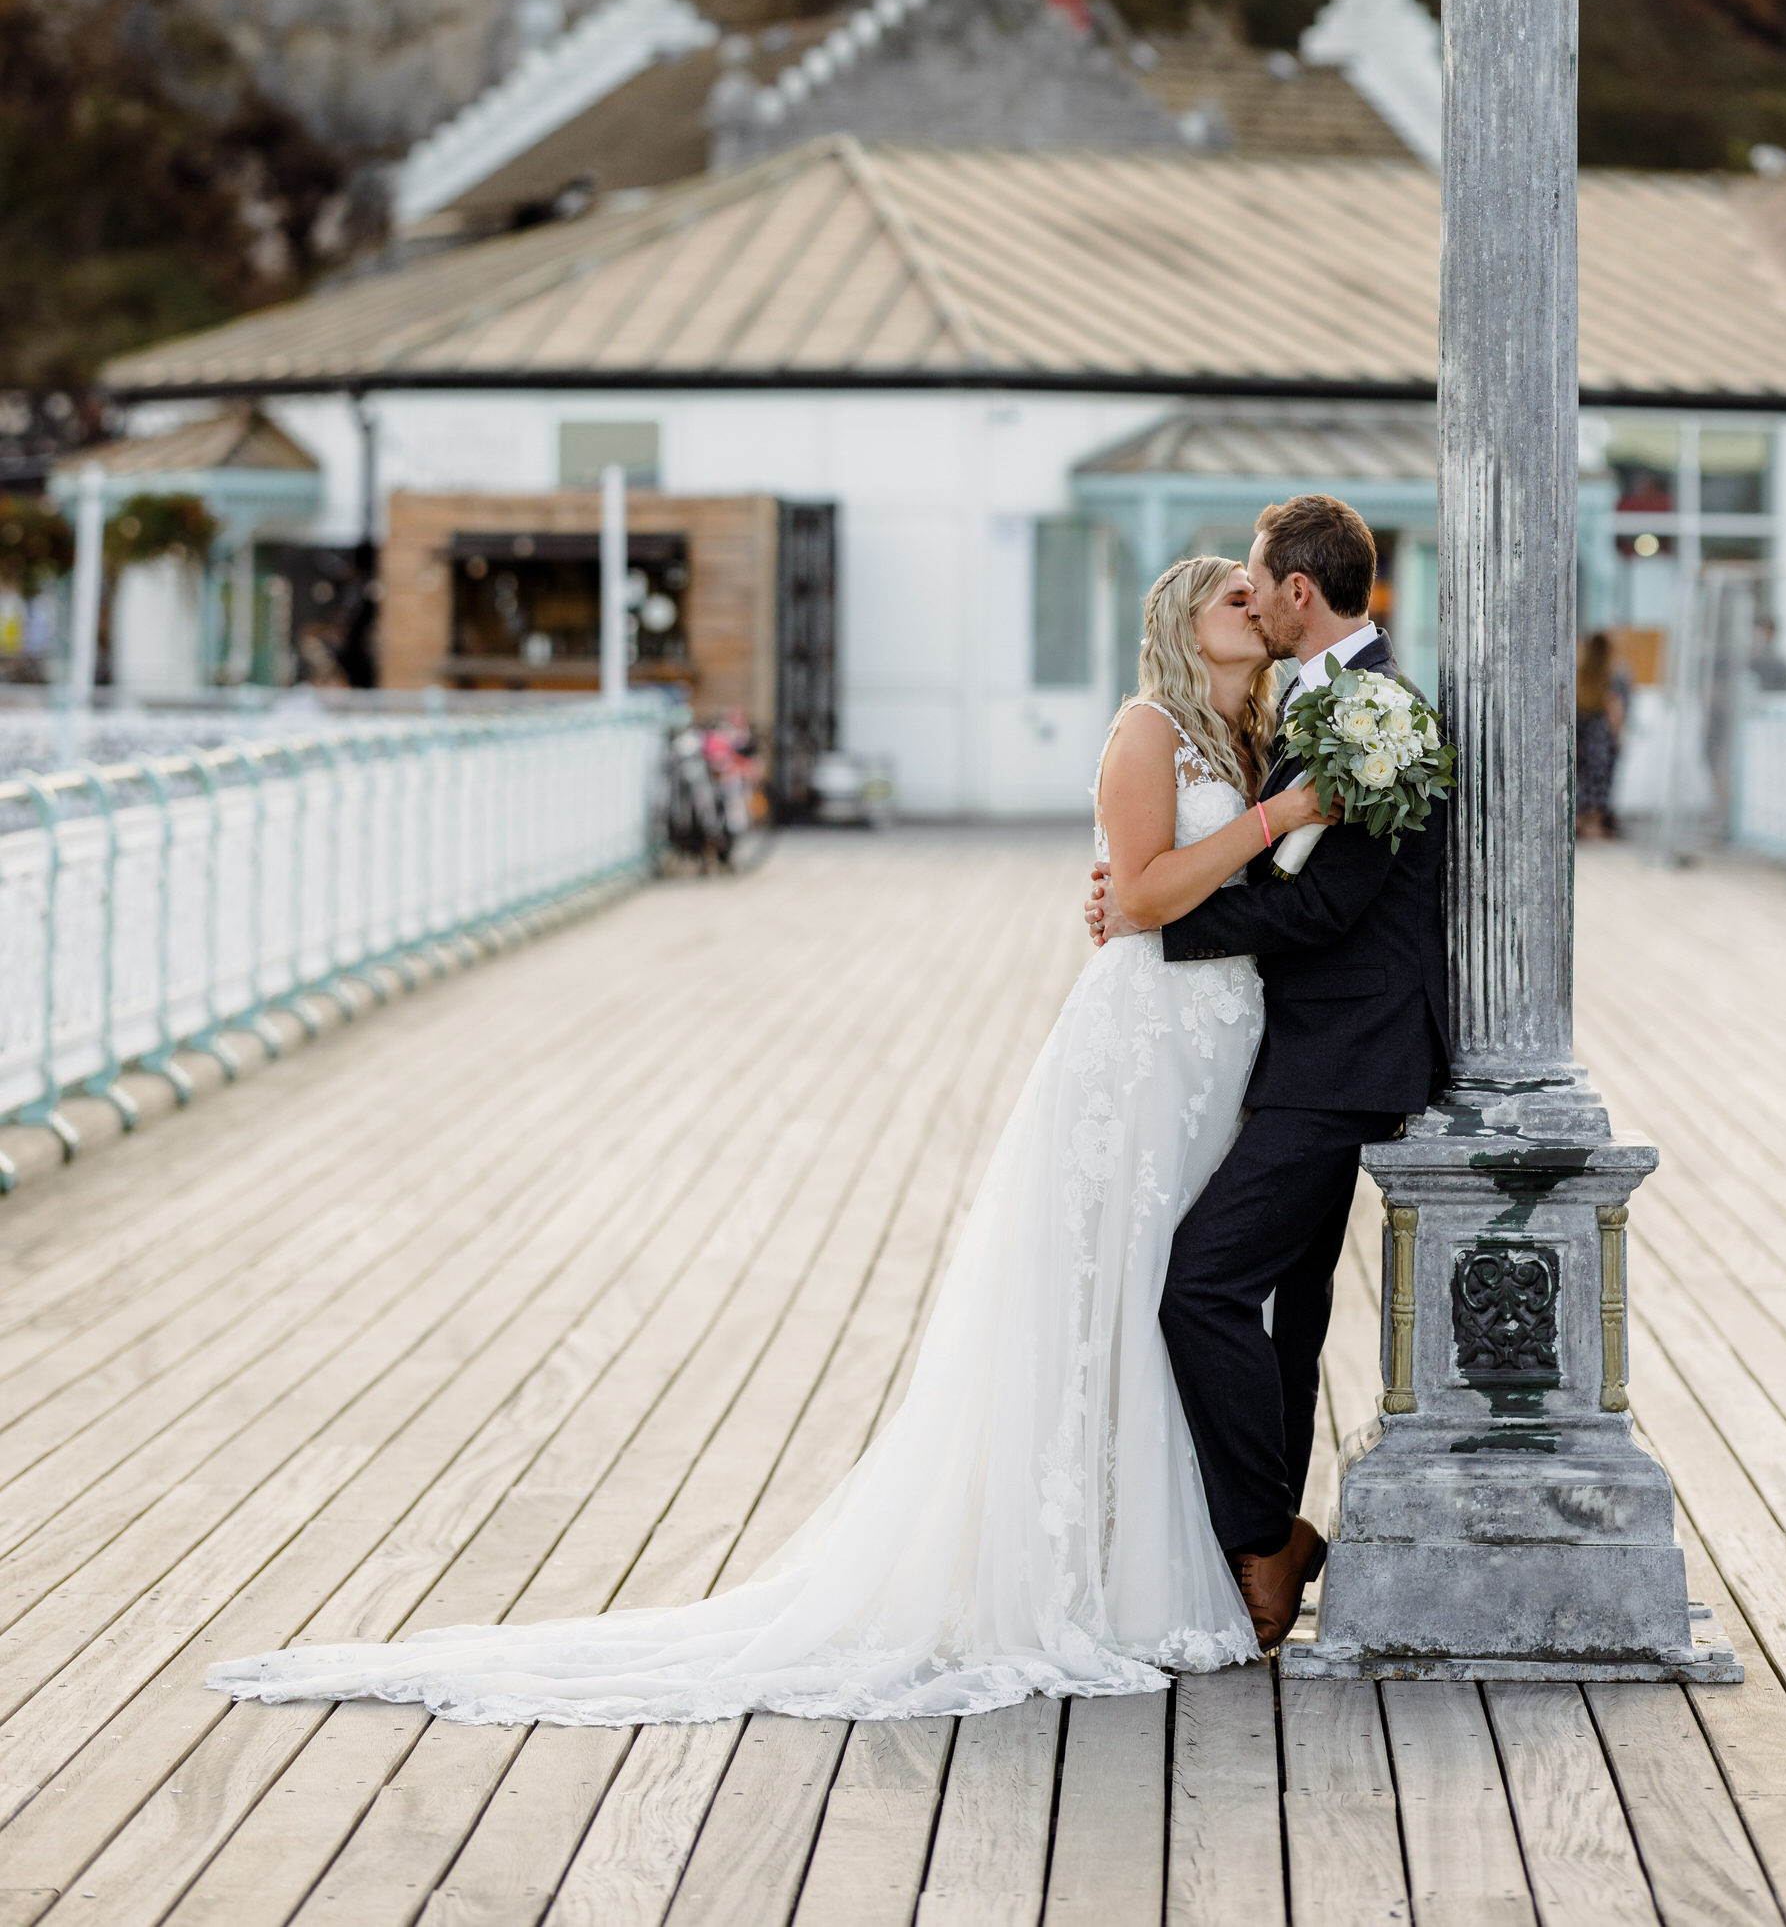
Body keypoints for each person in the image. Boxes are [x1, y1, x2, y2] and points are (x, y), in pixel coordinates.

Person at [204, 553, 1331, 1729]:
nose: (1253, 607)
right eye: (1231, 599)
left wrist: (1264, 818)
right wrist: (1272, 820)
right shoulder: (1147, 730)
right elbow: (1142, 898)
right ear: (1179, 625)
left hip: (1214, 1048)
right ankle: (1090, 1570)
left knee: (1162, 1295)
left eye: (1257, 596)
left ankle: (1157, 1553)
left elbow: (1198, 890)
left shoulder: (1249, 733)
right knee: (1106, 1286)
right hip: (1138, 1050)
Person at [1087, 492, 1450, 1648]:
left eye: (1255, 583)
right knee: (1286, 1314)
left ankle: (1258, 1538)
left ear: (1299, 592)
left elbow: (1334, 898)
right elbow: (1211, 853)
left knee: (1200, 1282)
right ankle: (1263, 1560)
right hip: (1289, 1046)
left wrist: (1157, 919)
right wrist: (1143, 887)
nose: (1248, 598)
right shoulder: (1299, 705)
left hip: (1340, 1053)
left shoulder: (1378, 708)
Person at [1575, 629, 1631, 840]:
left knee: (1582, 781)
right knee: (1600, 783)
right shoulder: (1612, 677)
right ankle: (1594, 824)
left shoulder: (1580, 675)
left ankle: (1579, 821)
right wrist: (1618, 737)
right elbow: (1615, 712)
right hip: (1601, 740)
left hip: (1582, 738)